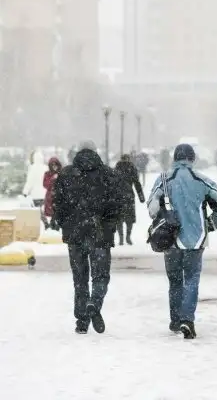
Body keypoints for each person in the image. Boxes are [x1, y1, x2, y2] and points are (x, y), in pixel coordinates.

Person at [147, 144, 217, 339]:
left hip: (171, 238)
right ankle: (187, 320)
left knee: (175, 280)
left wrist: (164, 212)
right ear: (192, 159)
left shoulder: (164, 179)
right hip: (196, 238)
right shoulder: (202, 180)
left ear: (175, 158)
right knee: (192, 278)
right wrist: (210, 223)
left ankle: (175, 320)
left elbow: (151, 209)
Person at [53, 140, 121, 335]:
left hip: (75, 235)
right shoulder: (108, 175)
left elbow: (57, 204)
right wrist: (108, 225)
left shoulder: (66, 175)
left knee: (80, 279)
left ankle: (82, 321)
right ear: (95, 151)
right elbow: (117, 205)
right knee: (100, 276)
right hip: (100, 234)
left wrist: (65, 224)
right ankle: (94, 303)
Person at [114, 154, 145, 245]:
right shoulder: (132, 168)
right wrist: (141, 196)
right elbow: (137, 183)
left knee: (119, 218)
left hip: (118, 197)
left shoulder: (116, 168)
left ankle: (121, 237)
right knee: (129, 218)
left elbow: (112, 183)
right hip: (129, 196)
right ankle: (128, 236)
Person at [23, 150, 49, 228]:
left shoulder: (33, 168)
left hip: (36, 194)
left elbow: (30, 181)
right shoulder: (46, 168)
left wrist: (25, 191)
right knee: (40, 210)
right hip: (45, 193)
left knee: (36, 211)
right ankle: (45, 223)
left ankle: (43, 224)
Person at [43, 157, 62, 229]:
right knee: (50, 214)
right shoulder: (47, 174)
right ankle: (50, 228)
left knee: (58, 214)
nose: (54, 166)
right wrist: (53, 178)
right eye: (52, 165)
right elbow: (45, 185)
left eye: (55, 165)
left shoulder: (61, 173)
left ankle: (55, 227)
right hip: (50, 198)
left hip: (59, 197)